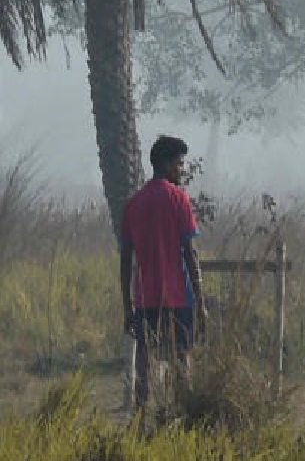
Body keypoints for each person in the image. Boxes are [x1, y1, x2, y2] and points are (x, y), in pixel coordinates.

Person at [120, 135, 207, 410]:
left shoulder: (133, 204)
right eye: (180, 164)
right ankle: (186, 409)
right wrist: (201, 302)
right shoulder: (178, 199)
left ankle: (140, 411)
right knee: (182, 357)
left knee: (144, 356)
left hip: (145, 296)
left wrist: (127, 306)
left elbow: (125, 262)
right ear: (167, 164)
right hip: (179, 295)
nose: (182, 170)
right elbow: (190, 254)